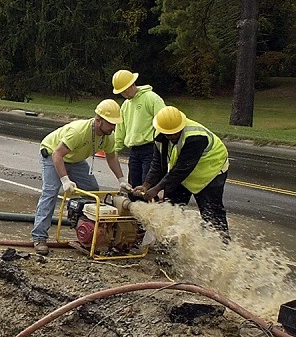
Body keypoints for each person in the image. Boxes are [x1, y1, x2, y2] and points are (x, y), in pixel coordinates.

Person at [31, 99, 130, 255]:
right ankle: (39, 237)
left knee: (91, 190)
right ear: (98, 121)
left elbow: (111, 158)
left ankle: (88, 233)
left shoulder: (108, 136)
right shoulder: (78, 131)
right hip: (52, 154)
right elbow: (58, 154)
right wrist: (65, 180)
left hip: (75, 159)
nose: (113, 127)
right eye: (111, 123)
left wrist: (122, 180)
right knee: (50, 193)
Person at [133, 106, 230, 241]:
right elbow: (157, 164)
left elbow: (181, 170)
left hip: (211, 173)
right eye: (169, 133)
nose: (173, 136)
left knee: (212, 214)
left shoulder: (195, 137)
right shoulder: (160, 137)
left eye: (176, 132)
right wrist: (146, 185)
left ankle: (222, 248)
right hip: (183, 174)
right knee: (171, 209)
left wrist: (156, 189)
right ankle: (169, 249)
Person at [112, 69, 166, 187]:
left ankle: (150, 205)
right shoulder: (126, 105)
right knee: (134, 186)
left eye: (125, 90)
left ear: (132, 84)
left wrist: (160, 146)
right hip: (134, 151)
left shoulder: (151, 98)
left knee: (147, 185)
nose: (124, 94)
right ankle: (135, 205)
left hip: (150, 148)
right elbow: (121, 128)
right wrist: (115, 148)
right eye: (121, 92)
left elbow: (163, 122)